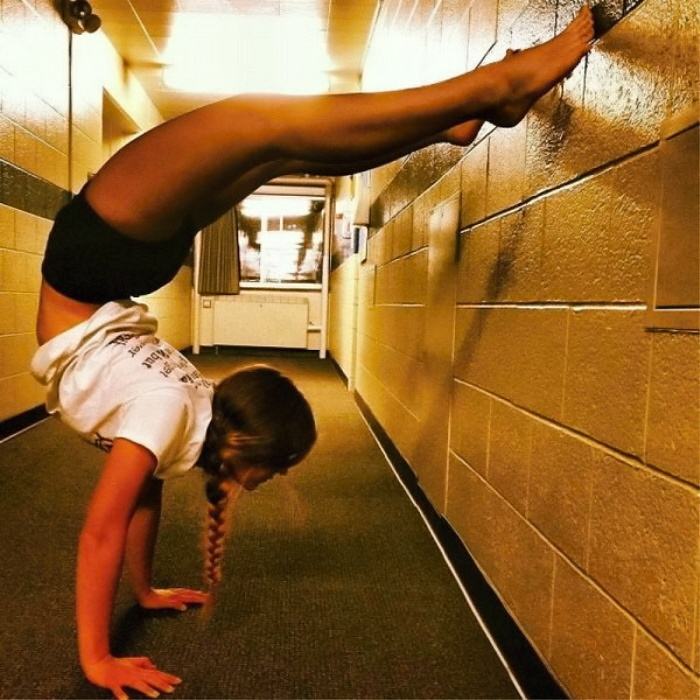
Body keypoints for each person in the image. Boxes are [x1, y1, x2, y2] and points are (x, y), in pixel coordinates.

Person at [30, 6, 594, 699]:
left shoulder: (169, 412)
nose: (273, 481)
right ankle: (454, 119)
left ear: (243, 439)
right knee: (277, 146)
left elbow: (102, 530)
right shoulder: (182, 418)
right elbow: (143, 500)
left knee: (265, 125)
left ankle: (492, 90)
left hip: (95, 258)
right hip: (106, 264)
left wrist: (96, 658)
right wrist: (143, 590)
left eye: (275, 470)